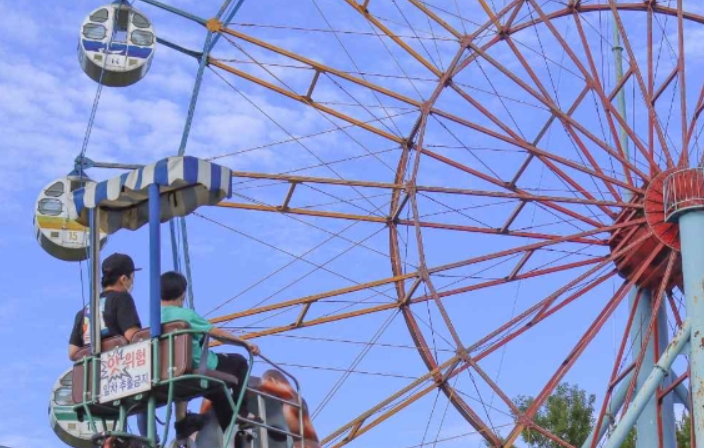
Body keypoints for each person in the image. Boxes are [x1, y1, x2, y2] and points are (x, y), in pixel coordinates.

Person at [160, 271, 260, 444]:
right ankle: (242, 410)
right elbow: (218, 334)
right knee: (239, 361)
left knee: (220, 396)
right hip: (197, 366)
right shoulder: (186, 315)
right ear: (183, 294)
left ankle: (187, 427)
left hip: (169, 371)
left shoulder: (155, 319)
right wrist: (244, 343)